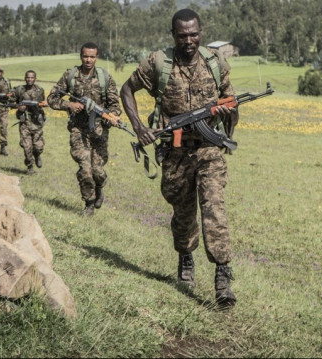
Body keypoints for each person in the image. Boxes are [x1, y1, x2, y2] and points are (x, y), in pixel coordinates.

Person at [120, 9, 238, 308]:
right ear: (173, 35)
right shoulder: (158, 62)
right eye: (183, 35)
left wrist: (227, 114)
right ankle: (186, 257)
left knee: (214, 209)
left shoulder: (215, 63)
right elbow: (127, 89)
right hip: (175, 152)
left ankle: (223, 277)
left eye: (194, 34)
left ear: (202, 32)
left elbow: (232, 104)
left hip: (209, 151)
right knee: (183, 216)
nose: (189, 40)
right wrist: (139, 127)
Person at [47, 42, 122, 216]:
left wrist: (112, 116)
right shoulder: (70, 76)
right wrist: (69, 104)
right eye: (85, 56)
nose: (88, 60)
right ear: (81, 56)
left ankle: (100, 186)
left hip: (99, 131)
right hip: (78, 130)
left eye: (92, 56)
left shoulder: (105, 77)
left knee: (98, 171)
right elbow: (52, 98)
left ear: (97, 57)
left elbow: (115, 105)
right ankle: (88, 204)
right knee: (85, 169)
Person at [12, 70, 46, 175]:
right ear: (25, 78)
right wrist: (19, 107)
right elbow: (13, 102)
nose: (29, 79)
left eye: (32, 77)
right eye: (28, 77)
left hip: (37, 123)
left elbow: (43, 102)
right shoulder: (20, 90)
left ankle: (37, 155)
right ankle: (30, 167)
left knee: (38, 147)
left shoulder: (40, 90)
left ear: (35, 78)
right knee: (27, 147)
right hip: (25, 122)